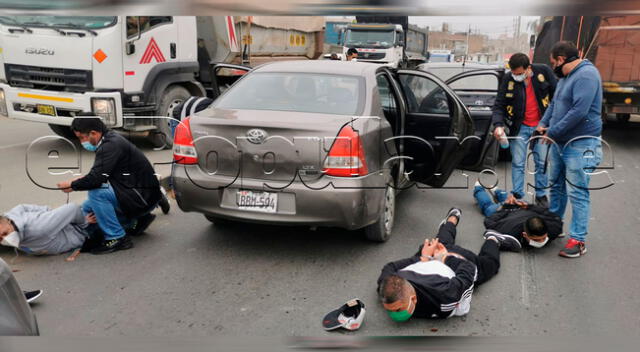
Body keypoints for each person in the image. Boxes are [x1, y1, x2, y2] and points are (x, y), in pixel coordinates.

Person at [377, 208, 518, 321]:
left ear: (413, 298)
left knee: (487, 266)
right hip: (431, 254)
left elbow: (469, 270)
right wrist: (424, 257)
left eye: (397, 310)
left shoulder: (444, 296)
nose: (392, 315)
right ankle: (452, 219)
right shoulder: (387, 287)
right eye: (389, 309)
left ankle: (493, 239)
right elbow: (389, 267)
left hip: (456, 259)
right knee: (442, 242)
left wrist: (444, 258)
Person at [56, 116, 163, 254]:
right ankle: (138, 220)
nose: (82, 142)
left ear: (94, 133)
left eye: (82, 137)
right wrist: (77, 183)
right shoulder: (109, 139)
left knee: (96, 193)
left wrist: (73, 184)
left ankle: (117, 238)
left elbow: (96, 180)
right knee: (88, 208)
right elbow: (100, 173)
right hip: (142, 192)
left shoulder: (110, 145)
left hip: (141, 198)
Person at [536, 41, 603, 258]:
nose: (552, 66)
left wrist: (552, 132)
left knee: (577, 192)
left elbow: (579, 111)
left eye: (554, 62)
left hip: (580, 144)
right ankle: (556, 226)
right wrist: (543, 123)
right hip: (560, 143)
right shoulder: (565, 77)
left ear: (562, 59)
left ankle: (578, 240)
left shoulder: (586, 75)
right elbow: (554, 105)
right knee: (556, 187)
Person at [492, 53, 557, 206]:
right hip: (519, 128)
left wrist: (551, 123)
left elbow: (557, 98)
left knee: (541, 162)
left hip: (541, 127)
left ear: (529, 68)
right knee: (518, 163)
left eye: (520, 74)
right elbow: (499, 104)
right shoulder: (508, 78)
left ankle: (541, 195)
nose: (516, 77)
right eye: (514, 74)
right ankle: (517, 195)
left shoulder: (543, 72)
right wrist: (498, 125)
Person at [472, 182, 564, 250]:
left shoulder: (554, 228)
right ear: (525, 234)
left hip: (522, 207)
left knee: (512, 200)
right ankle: (478, 187)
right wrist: (505, 207)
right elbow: (489, 221)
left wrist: (528, 206)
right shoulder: (508, 231)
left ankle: (497, 191)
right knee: (488, 208)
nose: (541, 242)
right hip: (506, 212)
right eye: (537, 240)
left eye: (544, 238)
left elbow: (549, 214)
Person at [0, 204, 95, 255]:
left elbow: (73, 209)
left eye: (5, 233)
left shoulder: (39, 228)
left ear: (8, 222)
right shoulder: (11, 217)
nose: (5, 239)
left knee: (98, 201)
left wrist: (85, 223)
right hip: (57, 228)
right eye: (0, 239)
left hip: (81, 231)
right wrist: (47, 211)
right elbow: (22, 207)